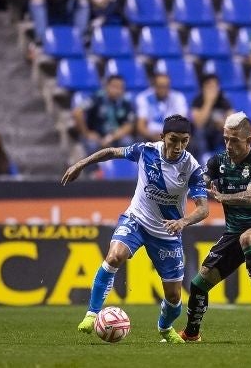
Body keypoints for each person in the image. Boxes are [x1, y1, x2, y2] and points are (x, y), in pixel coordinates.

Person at [61, 115, 209, 344]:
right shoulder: (146, 151)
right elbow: (110, 152)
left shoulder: (192, 168)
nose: (178, 146)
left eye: (184, 140)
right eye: (173, 139)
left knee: (174, 296)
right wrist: (80, 163)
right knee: (114, 256)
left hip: (167, 232)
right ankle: (91, 315)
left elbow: (203, 209)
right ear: (162, 137)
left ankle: (165, 327)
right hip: (136, 220)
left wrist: (183, 222)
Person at [180, 112, 251, 342]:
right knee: (198, 285)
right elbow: (199, 182)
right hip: (232, 233)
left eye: (234, 140)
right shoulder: (218, 161)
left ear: (249, 141)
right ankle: (191, 333)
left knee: (249, 238)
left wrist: (223, 197)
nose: (229, 145)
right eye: (226, 138)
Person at [73, 75, 136, 156]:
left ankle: (126, 168)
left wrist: (111, 138)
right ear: (107, 86)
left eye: (121, 88)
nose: (118, 91)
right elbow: (77, 112)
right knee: (92, 145)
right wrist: (86, 133)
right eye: (115, 87)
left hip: (115, 136)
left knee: (128, 142)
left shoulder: (125, 102)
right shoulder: (97, 98)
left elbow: (129, 125)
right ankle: (93, 169)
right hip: (97, 136)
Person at [190, 74, 233, 159]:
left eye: (215, 86)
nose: (212, 89)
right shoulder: (198, 101)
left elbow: (233, 123)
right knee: (199, 133)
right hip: (202, 136)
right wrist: (209, 102)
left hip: (218, 134)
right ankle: (204, 158)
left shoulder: (223, 101)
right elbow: (198, 123)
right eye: (209, 86)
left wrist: (223, 124)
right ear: (203, 88)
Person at [136, 73, 189, 142]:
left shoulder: (178, 97)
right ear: (154, 86)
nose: (163, 90)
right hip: (150, 136)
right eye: (160, 86)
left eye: (166, 86)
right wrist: (151, 135)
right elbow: (141, 126)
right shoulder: (143, 97)